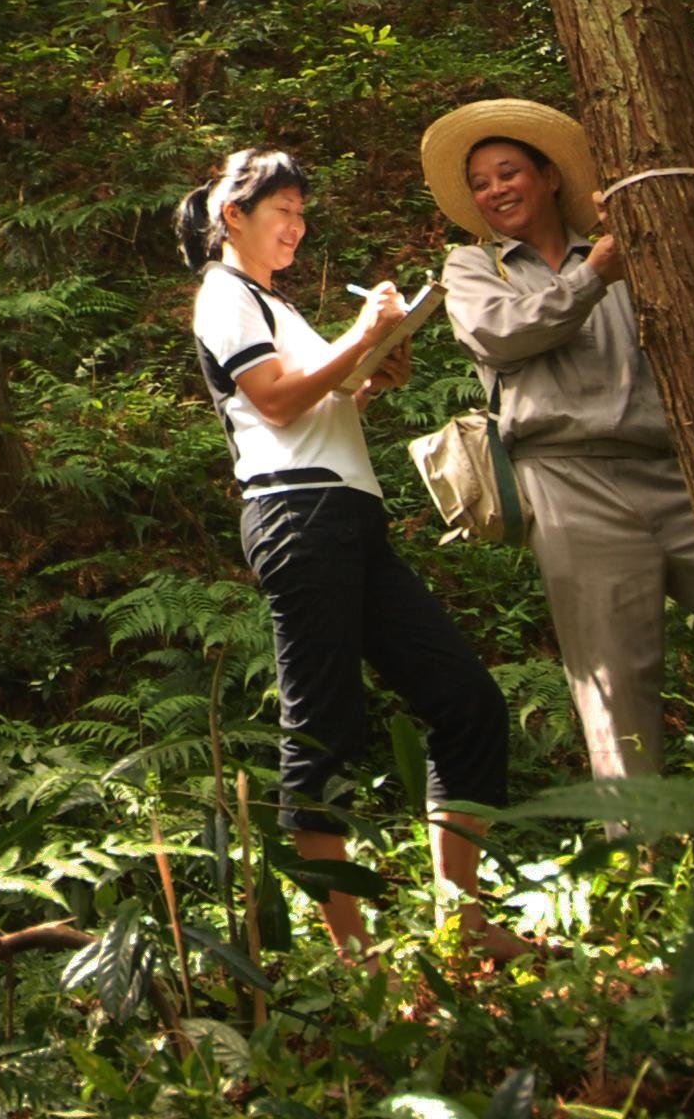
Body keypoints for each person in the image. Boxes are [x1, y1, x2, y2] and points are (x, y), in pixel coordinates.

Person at [179, 146, 516, 962]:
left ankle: (461, 920)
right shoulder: (223, 298)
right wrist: (362, 331)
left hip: (348, 516)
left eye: (301, 212)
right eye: (282, 212)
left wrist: (370, 373)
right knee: (323, 731)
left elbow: (315, 398)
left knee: (467, 702)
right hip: (296, 514)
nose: (297, 226)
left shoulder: (273, 303)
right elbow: (276, 403)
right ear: (234, 218)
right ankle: (351, 954)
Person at [425, 98, 694, 781]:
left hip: (675, 471)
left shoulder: (624, 247)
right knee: (614, 691)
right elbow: (498, 334)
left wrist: (614, 253)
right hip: (567, 484)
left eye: (509, 172)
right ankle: (640, 868)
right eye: (481, 182)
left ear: (550, 176)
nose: (495, 190)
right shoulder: (476, 269)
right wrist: (595, 277)